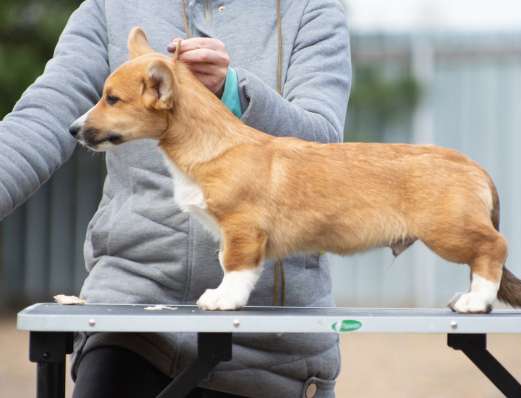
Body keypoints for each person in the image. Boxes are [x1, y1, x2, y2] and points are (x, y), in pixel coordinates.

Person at [1, 1, 351, 397]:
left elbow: (323, 149)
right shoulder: (108, 8)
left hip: (273, 346)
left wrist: (232, 92)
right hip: (131, 324)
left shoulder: (311, 11)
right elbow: (39, 118)